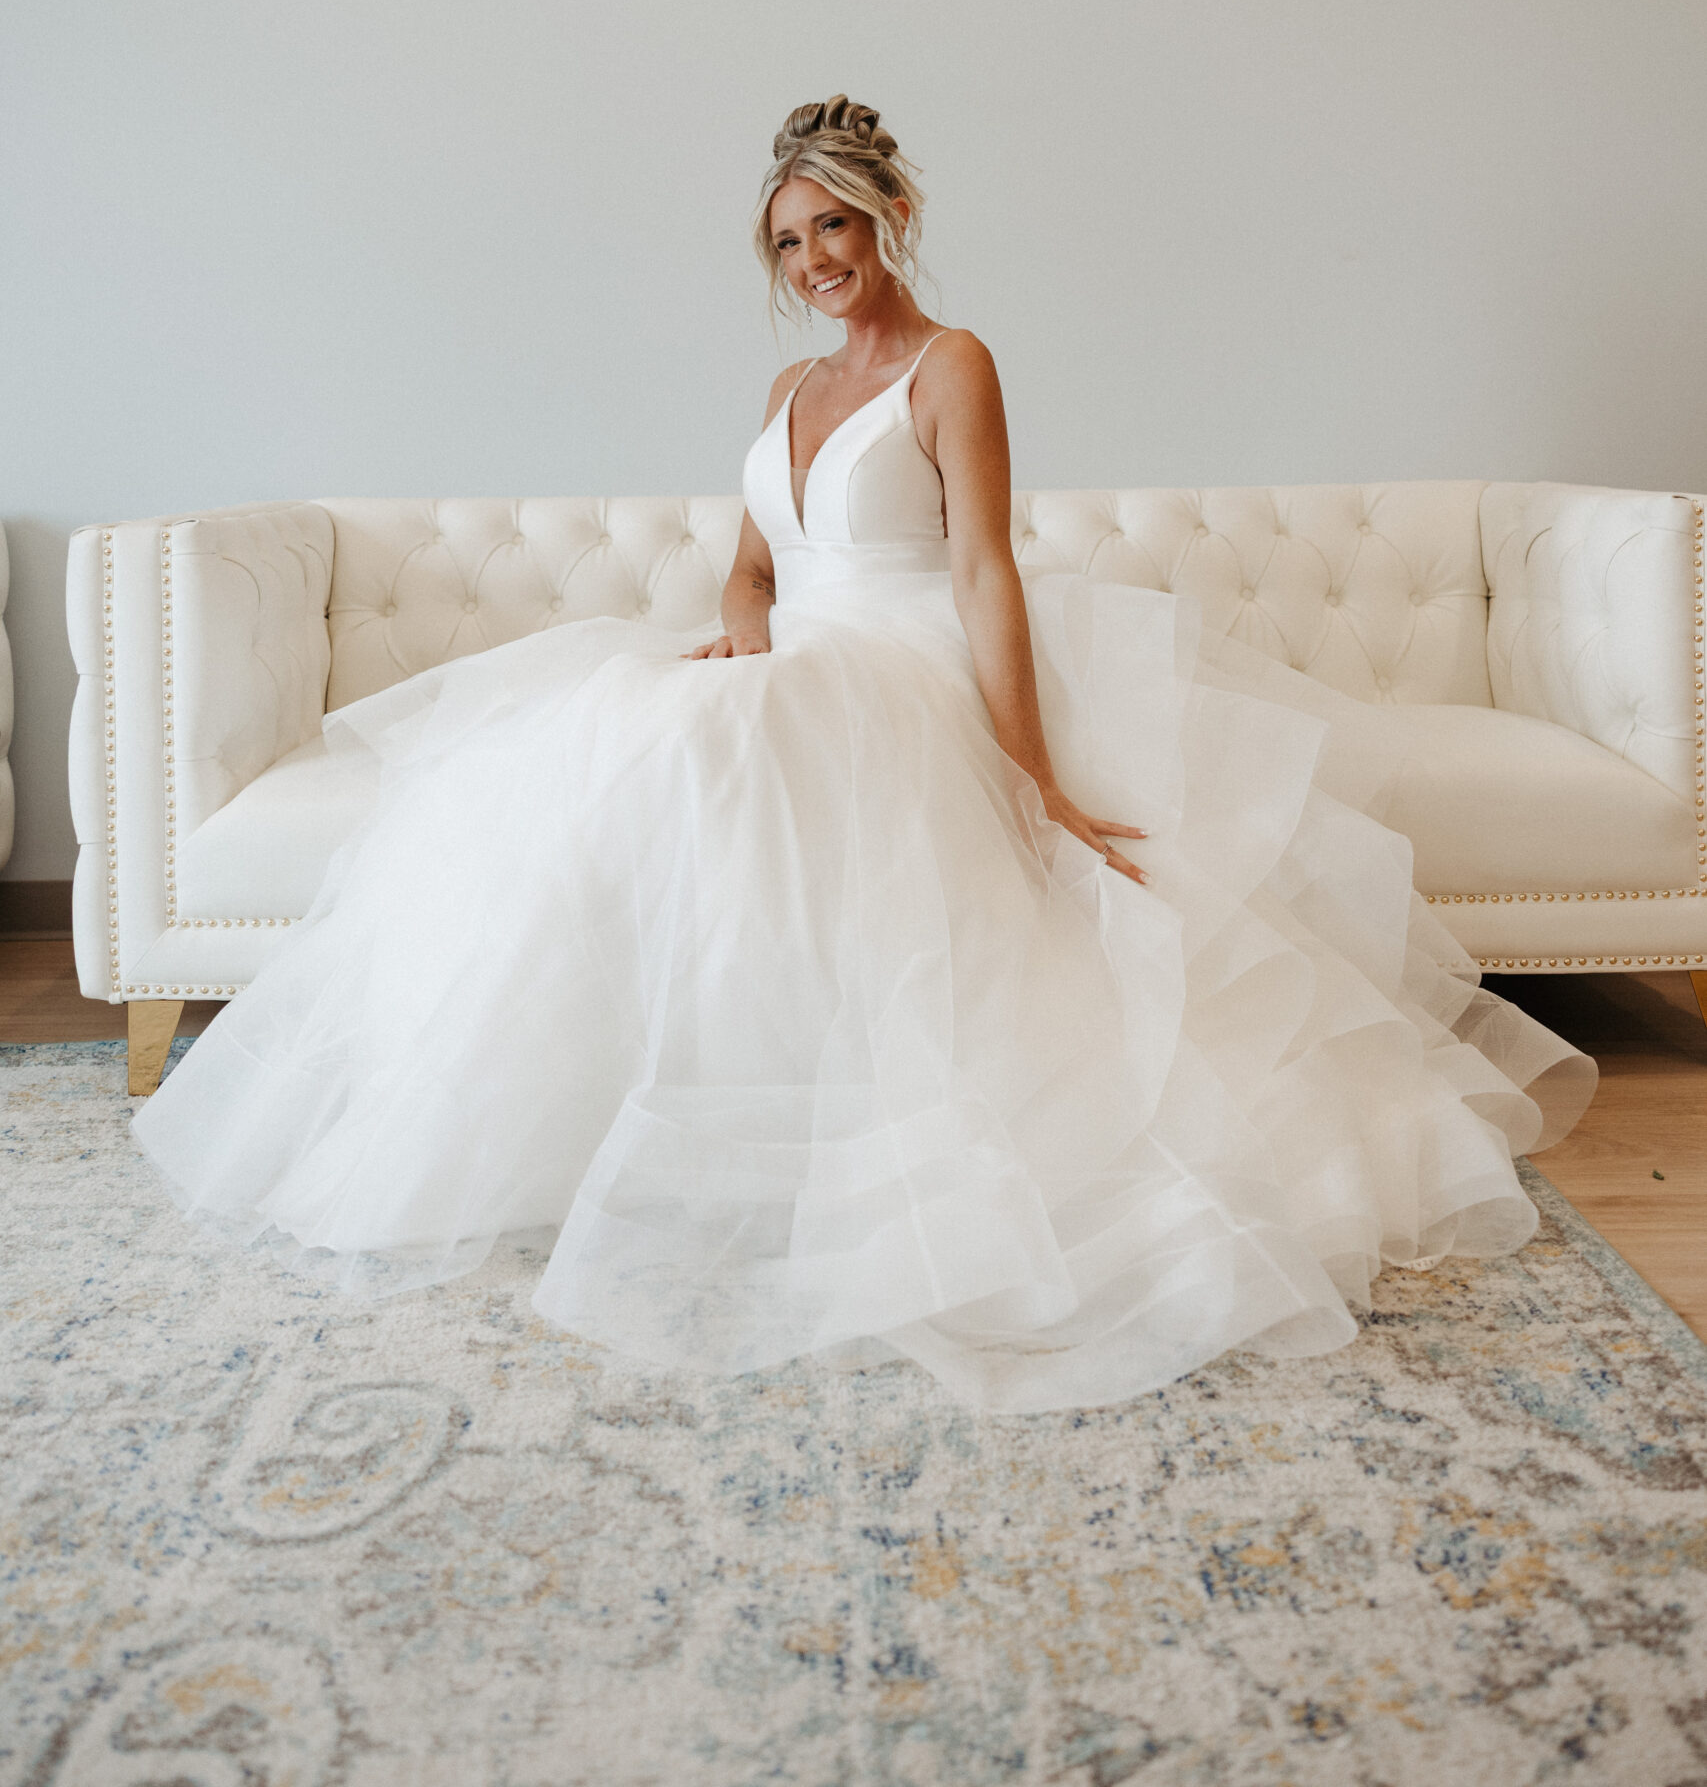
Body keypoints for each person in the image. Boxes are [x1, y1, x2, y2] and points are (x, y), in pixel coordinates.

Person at [133, 99, 1593, 1413]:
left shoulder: (954, 366)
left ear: (891, 219)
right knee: (632, 737)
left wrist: (1033, 776)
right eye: (788, 238)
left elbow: (984, 577)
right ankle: (642, 1123)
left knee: (748, 754)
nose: (815, 255)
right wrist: (744, 630)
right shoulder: (783, 393)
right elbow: (753, 569)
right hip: (800, 657)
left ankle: (826, 1142)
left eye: (835, 222)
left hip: (914, 666)